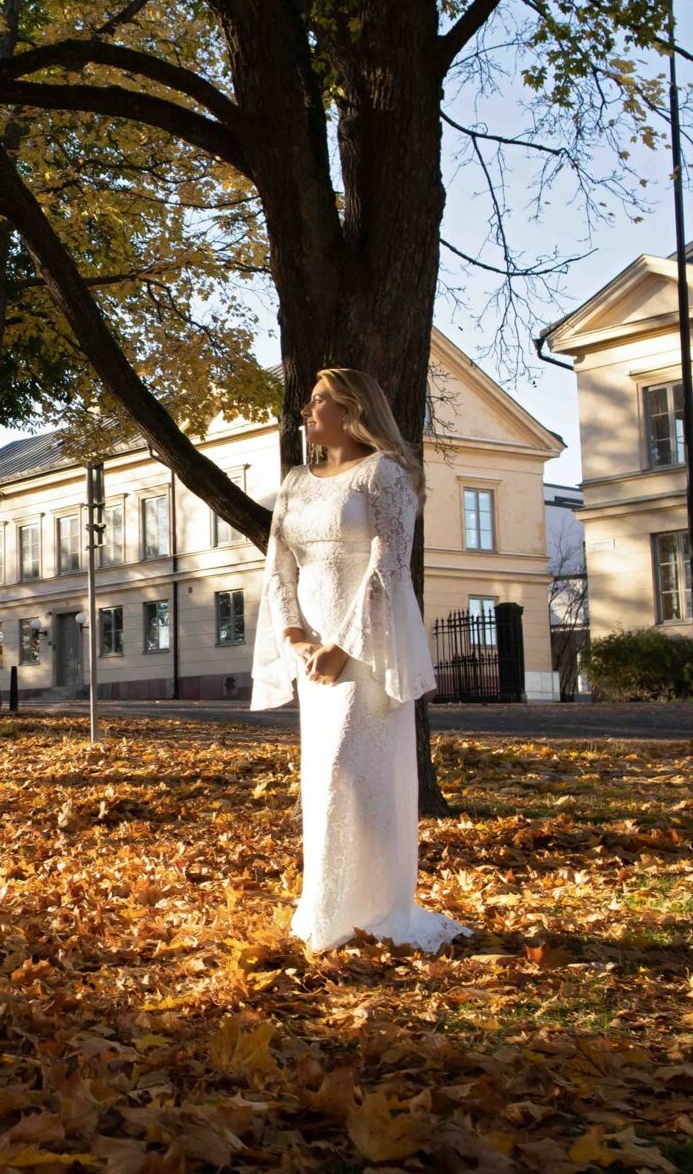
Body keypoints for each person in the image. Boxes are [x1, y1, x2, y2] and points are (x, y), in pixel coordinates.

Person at [249, 368, 469, 954]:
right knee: (323, 778)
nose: (306, 410)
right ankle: (328, 910)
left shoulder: (385, 475)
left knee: (355, 770)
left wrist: (343, 646)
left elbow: (389, 567)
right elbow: (279, 566)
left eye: (319, 400)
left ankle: (375, 909)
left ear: (352, 410)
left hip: (367, 653)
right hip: (311, 654)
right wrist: (295, 637)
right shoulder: (295, 482)